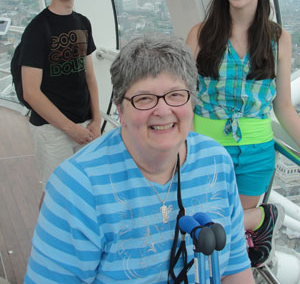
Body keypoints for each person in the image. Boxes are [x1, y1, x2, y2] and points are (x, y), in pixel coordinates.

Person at [24, 36, 254, 283]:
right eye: (144, 98)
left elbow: (234, 268)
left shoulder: (216, 162)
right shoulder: (77, 187)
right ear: (120, 111)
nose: (163, 111)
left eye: (176, 95)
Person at [186, 0, 300, 267]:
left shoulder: (279, 38)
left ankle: (259, 221)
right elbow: (181, 94)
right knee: (208, 226)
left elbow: (284, 108)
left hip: (256, 153)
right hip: (205, 147)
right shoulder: (202, 34)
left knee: (225, 238)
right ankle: (263, 218)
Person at [20, 0, 101, 207]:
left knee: (84, 189)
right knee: (57, 193)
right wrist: (69, 128)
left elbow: (89, 75)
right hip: (52, 129)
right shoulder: (37, 29)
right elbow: (31, 92)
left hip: (85, 124)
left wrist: (96, 120)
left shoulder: (83, 23)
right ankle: (47, 244)